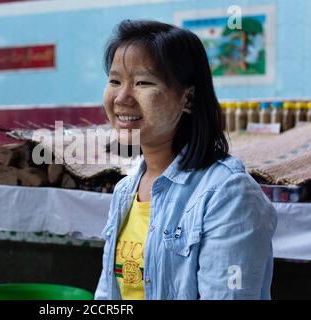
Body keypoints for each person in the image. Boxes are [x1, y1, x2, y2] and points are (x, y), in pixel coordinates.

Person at [94, 19, 277, 300]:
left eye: (142, 82)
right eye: (115, 81)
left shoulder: (228, 194)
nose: (121, 97)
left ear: (188, 98)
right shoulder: (125, 190)